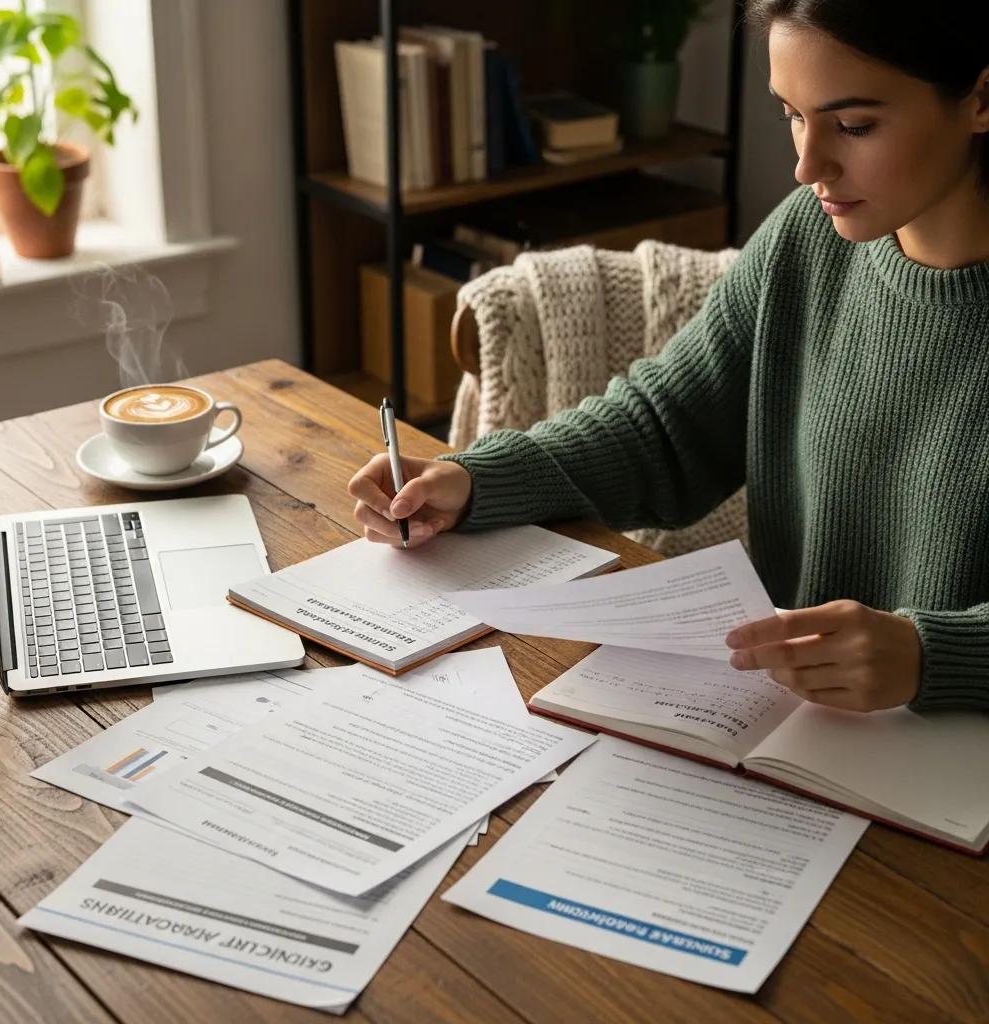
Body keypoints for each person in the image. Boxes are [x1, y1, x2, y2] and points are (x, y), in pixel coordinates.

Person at [349, 0, 989, 715]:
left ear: (981, 99)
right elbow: (664, 429)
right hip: (797, 728)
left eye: (855, 126)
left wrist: (936, 655)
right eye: (792, 115)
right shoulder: (808, 238)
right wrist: (476, 480)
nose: (809, 165)